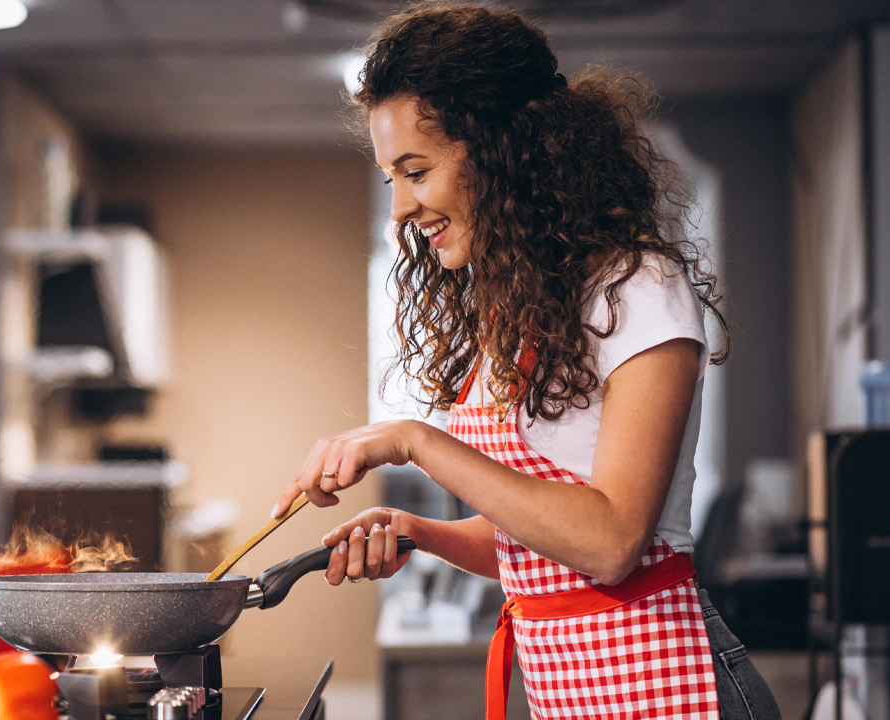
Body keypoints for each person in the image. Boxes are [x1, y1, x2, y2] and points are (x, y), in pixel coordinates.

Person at [269, 4, 781, 719]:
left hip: (671, 683)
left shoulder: (637, 288)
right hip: (571, 691)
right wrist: (420, 531)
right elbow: (538, 545)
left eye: (416, 171)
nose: (400, 208)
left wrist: (415, 440)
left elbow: (608, 543)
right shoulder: (517, 310)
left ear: (502, 149)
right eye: (392, 178)